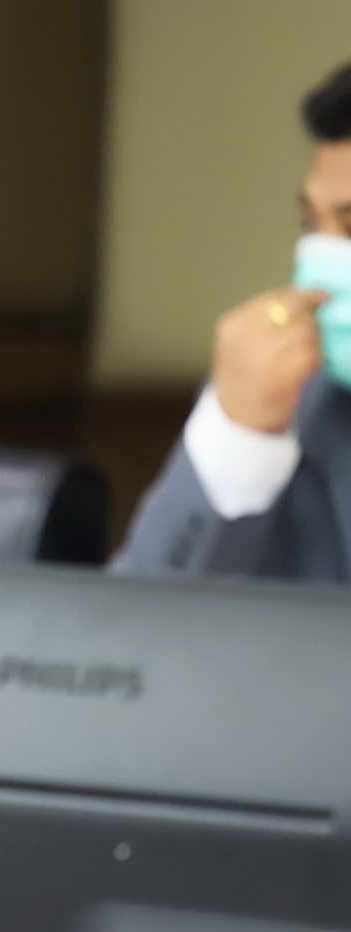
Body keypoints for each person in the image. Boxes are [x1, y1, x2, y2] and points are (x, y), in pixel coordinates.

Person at [116, 62, 351, 579]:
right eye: (312, 223)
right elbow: (137, 617)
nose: (324, 258)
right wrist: (237, 436)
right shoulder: (297, 401)